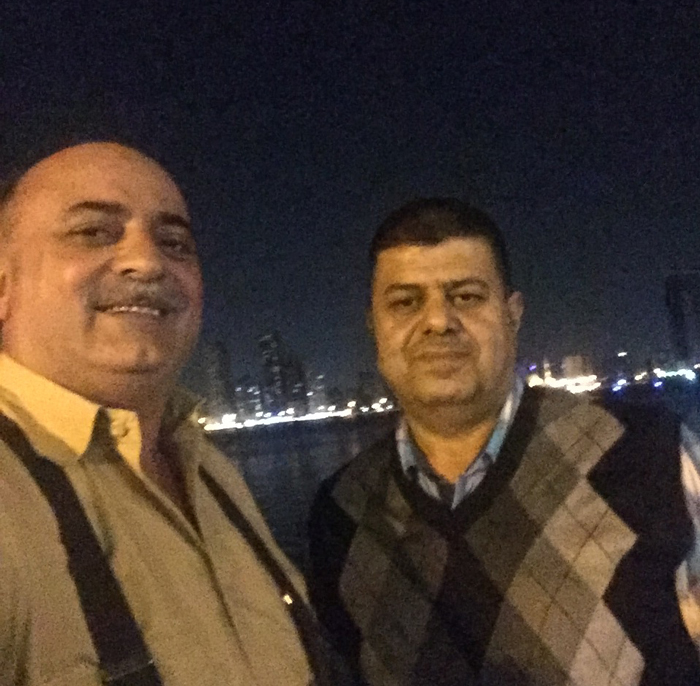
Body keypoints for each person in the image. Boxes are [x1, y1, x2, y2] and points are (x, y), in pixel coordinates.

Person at [308, 197, 700, 685]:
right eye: (405, 302)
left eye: (466, 297)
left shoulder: (651, 454)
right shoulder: (340, 514)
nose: (438, 321)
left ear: (513, 314)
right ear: (375, 327)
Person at [0, 142, 333, 686]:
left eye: (174, 243)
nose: (149, 261)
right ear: (3, 284)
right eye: (93, 232)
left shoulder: (211, 471)